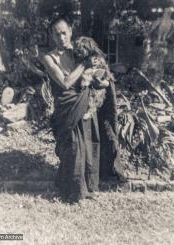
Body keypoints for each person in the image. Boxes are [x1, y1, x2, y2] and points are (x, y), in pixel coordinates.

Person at [42, 17, 122, 202]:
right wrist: (85, 64)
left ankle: (89, 188)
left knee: (88, 144)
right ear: (52, 36)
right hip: (67, 107)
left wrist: (99, 79)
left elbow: (92, 75)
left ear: (70, 31)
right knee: (72, 147)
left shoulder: (80, 51)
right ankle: (73, 191)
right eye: (57, 33)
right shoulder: (49, 57)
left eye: (64, 32)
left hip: (85, 103)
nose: (61, 37)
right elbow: (65, 82)